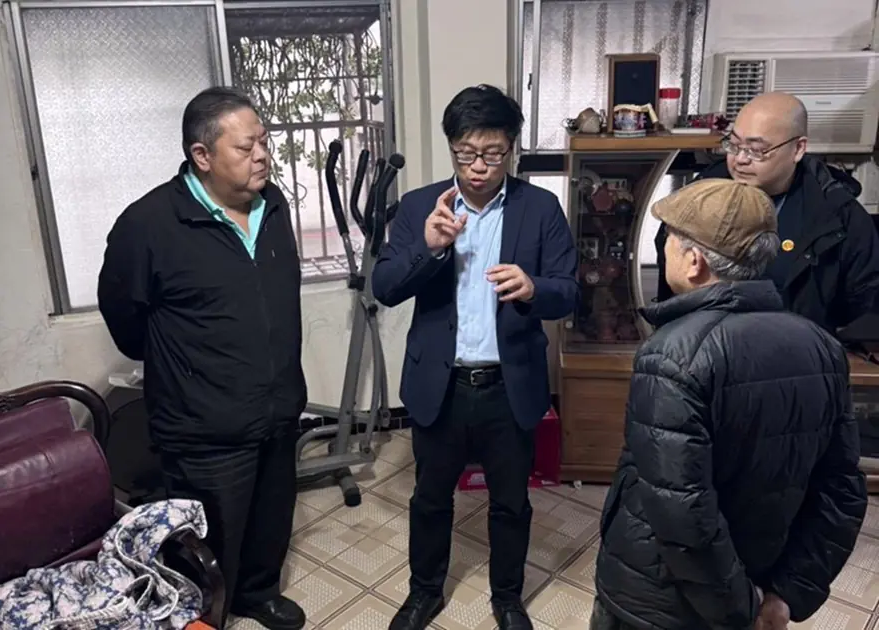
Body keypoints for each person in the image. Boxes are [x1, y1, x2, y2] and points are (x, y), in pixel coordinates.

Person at [593, 178, 867, 630]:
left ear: (694, 261)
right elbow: (842, 490)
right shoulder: (820, 346)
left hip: (661, 599)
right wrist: (784, 595)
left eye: (670, 239)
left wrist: (739, 609)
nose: (666, 249)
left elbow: (681, 512)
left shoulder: (673, 354)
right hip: (760, 574)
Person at [98, 87, 307, 630]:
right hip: (203, 424)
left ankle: (257, 594)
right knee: (209, 537)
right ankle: (200, 617)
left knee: (271, 517)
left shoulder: (273, 205)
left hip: (276, 406)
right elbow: (125, 321)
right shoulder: (149, 225)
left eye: (264, 142)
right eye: (246, 147)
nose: (262, 155)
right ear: (202, 156)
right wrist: (190, 370)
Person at [372, 84, 578, 630]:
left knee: (511, 503)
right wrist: (429, 248)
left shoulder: (540, 208)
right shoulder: (421, 205)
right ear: (452, 147)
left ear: (511, 147)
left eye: (492, 153)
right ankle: (424, 592)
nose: (479, 167)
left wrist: (534, 288)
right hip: (440, 386)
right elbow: (385, 287)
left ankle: (507, 598)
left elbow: (569, 292)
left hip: (509, 387)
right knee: (430, 499)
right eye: (465, 154)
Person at [654, 91, 879, 333]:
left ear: (798, 149)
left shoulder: (836, 213)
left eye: (756, 150)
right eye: (734, 145)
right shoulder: (699, 193)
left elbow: (858, 298)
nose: (740, 159)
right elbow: (670, 274)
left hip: (796, 345)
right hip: (704, 342)